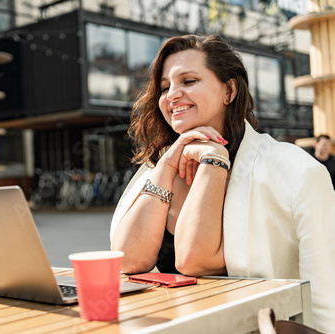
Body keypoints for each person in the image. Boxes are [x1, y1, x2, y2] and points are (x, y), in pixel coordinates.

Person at [110, 34, 335, 332]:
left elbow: (324, 294)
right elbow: (126, 260)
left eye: (188, 81)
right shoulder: (155, 167)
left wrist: (214, 160)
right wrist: (165, 167)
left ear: (229, 90)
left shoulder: (297, 172)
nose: (172, 94)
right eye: (165, 87)